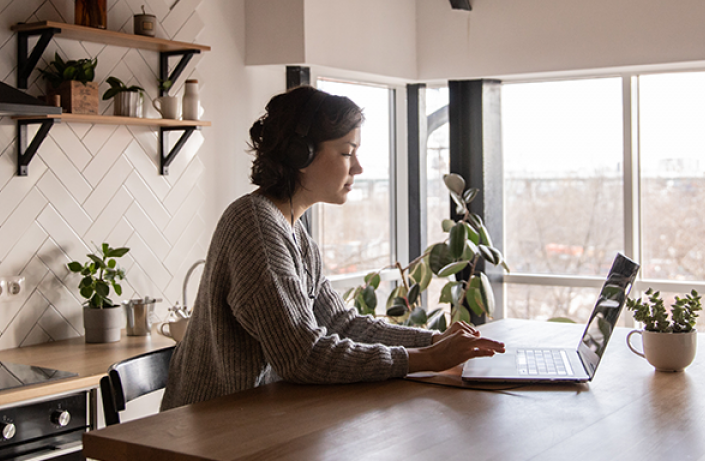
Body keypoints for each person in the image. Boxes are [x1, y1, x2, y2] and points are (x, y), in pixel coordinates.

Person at [161, 85, 505, 410]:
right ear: (301, 155)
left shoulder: (293, 233)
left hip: (257, 418)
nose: (358, 167)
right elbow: (302, 355)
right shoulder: (256, 227)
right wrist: (426, 359)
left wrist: (434, 341)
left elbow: (340, 323)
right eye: (346, 152)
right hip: (206, 434)